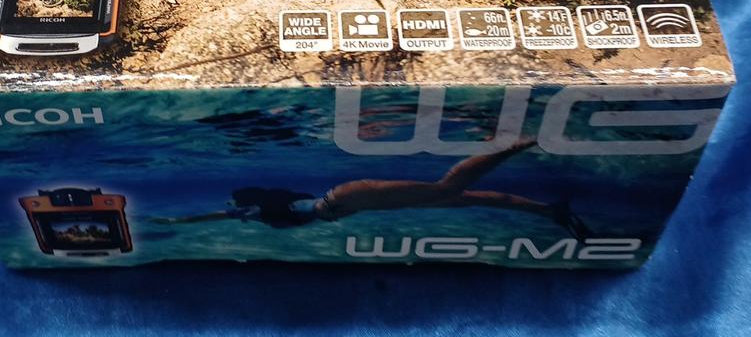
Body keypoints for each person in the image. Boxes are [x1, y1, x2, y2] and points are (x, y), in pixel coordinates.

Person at [151, 139, 591, 238]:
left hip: (350, 198)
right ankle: (548, 211)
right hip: (354, 199)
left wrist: (177, 220)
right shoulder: (268, 202)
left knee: (446, 188)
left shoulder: (255, 210)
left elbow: (215, 215)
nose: (234, 208)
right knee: (463, 198)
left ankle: (514, 146)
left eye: (235, 204)